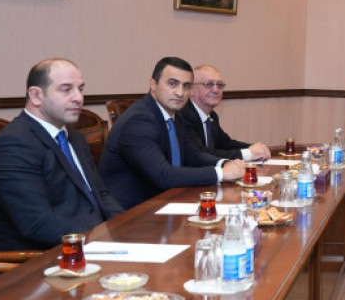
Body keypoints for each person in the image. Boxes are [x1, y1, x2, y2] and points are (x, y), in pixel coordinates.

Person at [0, 59, 122, 251]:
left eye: (80, 89)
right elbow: (37, 223)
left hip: (89, 244)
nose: (79, 98)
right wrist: (101, 242)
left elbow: (101, 194)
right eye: (66, 89)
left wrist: (126, 228)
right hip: (43, 257)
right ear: (36, 96)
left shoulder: (75, 138)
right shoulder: (11, 145)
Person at [100, 57, 245, 209]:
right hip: (132, 211)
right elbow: (163, 175)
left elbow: (193, 155)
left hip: (166, 200)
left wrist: (224, 163)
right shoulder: (137, 121)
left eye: (186, 86)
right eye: (172, 84)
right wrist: (221, 173)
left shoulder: (175, 115)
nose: (180, 93)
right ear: (153, 85)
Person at [176, 64, 270, 160]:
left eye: (220, 85)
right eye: (209, 84)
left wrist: (255, 148)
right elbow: (200, 153)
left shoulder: (212, 115)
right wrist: (248, 153)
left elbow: (224, 143)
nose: (216, 90)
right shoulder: (183, 115)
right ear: (191, 89)